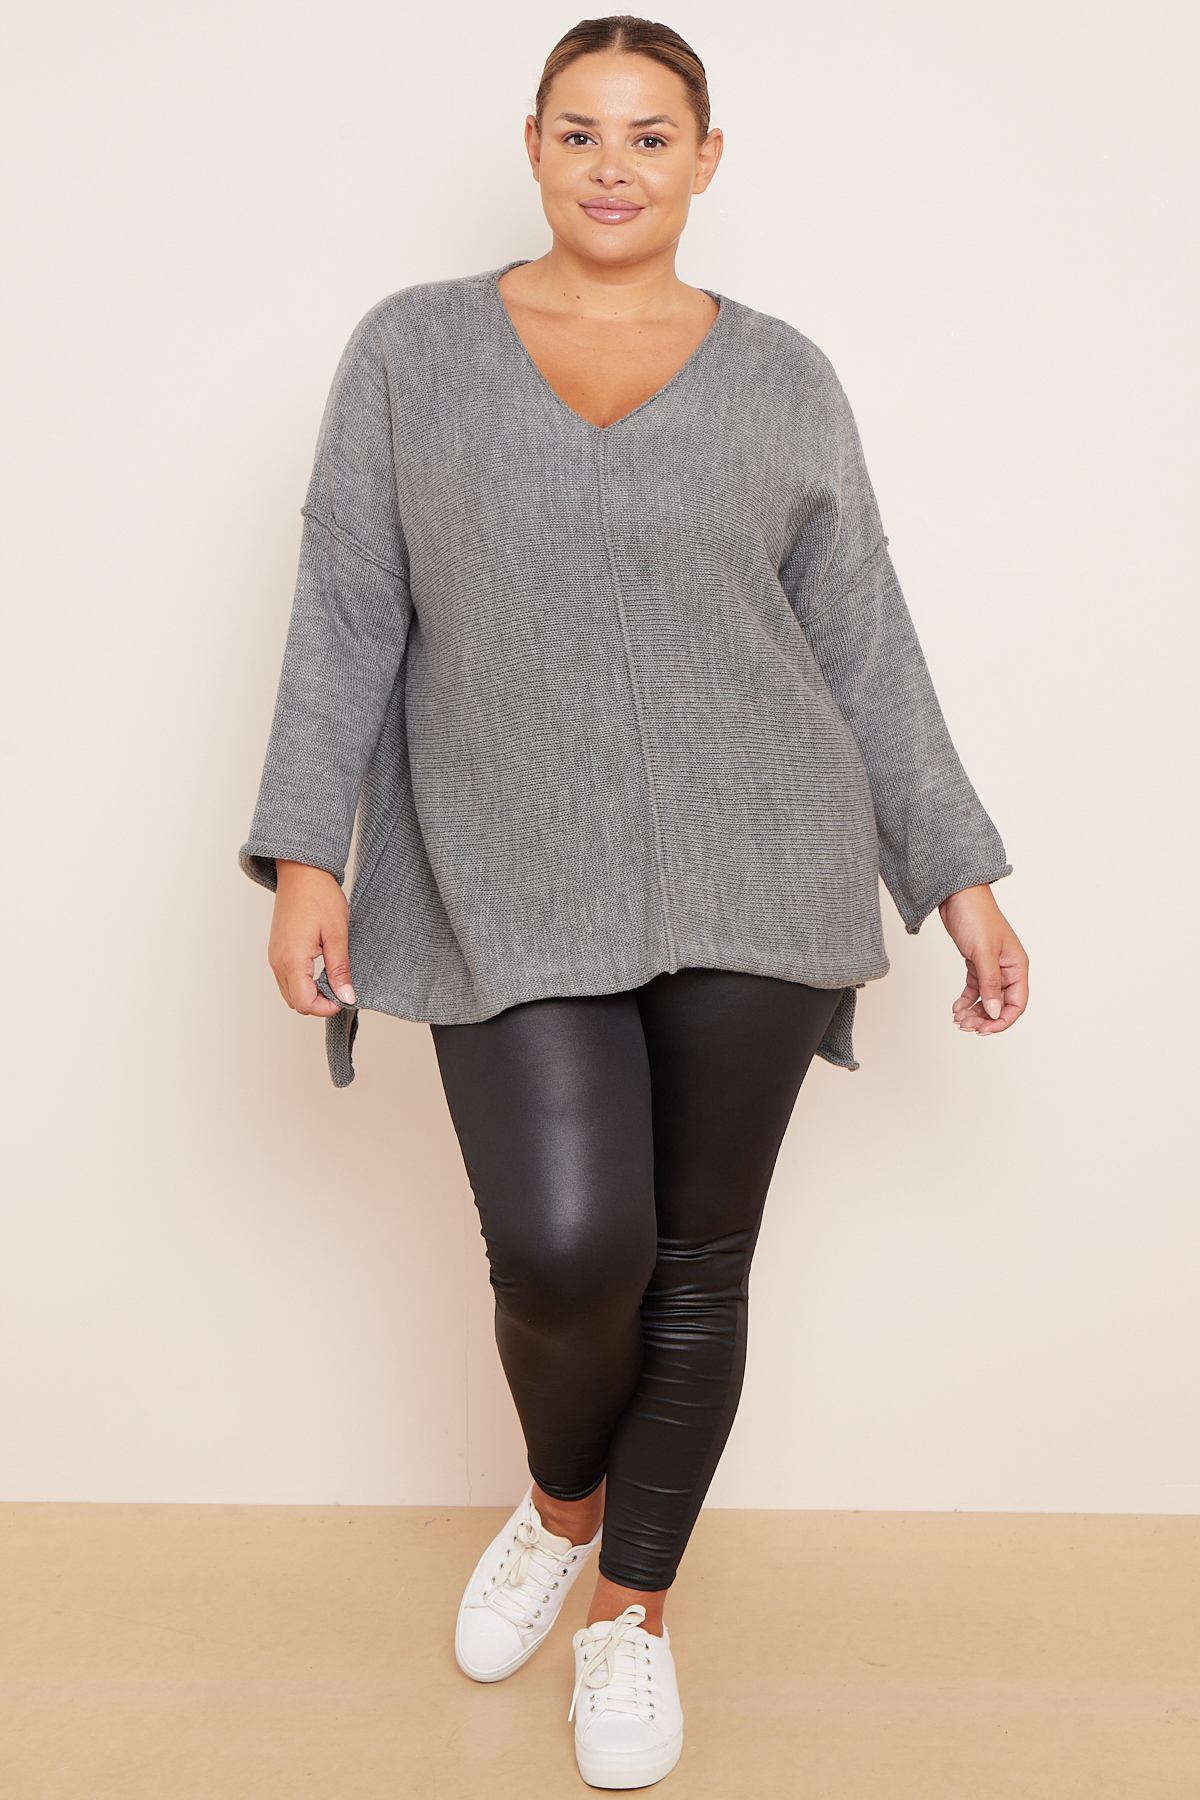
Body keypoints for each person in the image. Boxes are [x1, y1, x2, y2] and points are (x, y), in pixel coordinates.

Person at [240, 13, 1028, 1789]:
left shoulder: (785, 376)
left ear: (706, 158)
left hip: (764, 853)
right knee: (567, 1249)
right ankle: (558, 1502)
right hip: (501, 863)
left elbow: (864, 634)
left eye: (651, 135)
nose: (615, 165)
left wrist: (960, 881)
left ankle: (631, 1615)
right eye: (582, 132)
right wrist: (307, 857)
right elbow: (347, 605)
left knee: (695, 1263)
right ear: (532, 146)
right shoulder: (412, 351)